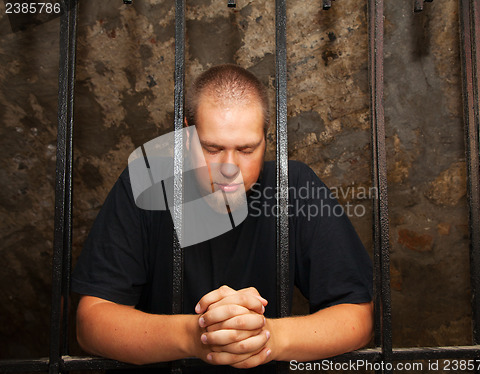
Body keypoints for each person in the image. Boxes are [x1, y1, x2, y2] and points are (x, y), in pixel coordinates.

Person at [72, 64, 373, 373]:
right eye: (213, 149)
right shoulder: (146, 183)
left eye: (246, 149)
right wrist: (195, 335)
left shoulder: (293, 185)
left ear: (266, 139)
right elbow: (91, 322)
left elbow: (357, 317)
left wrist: (268, 337)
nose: (229, 169)